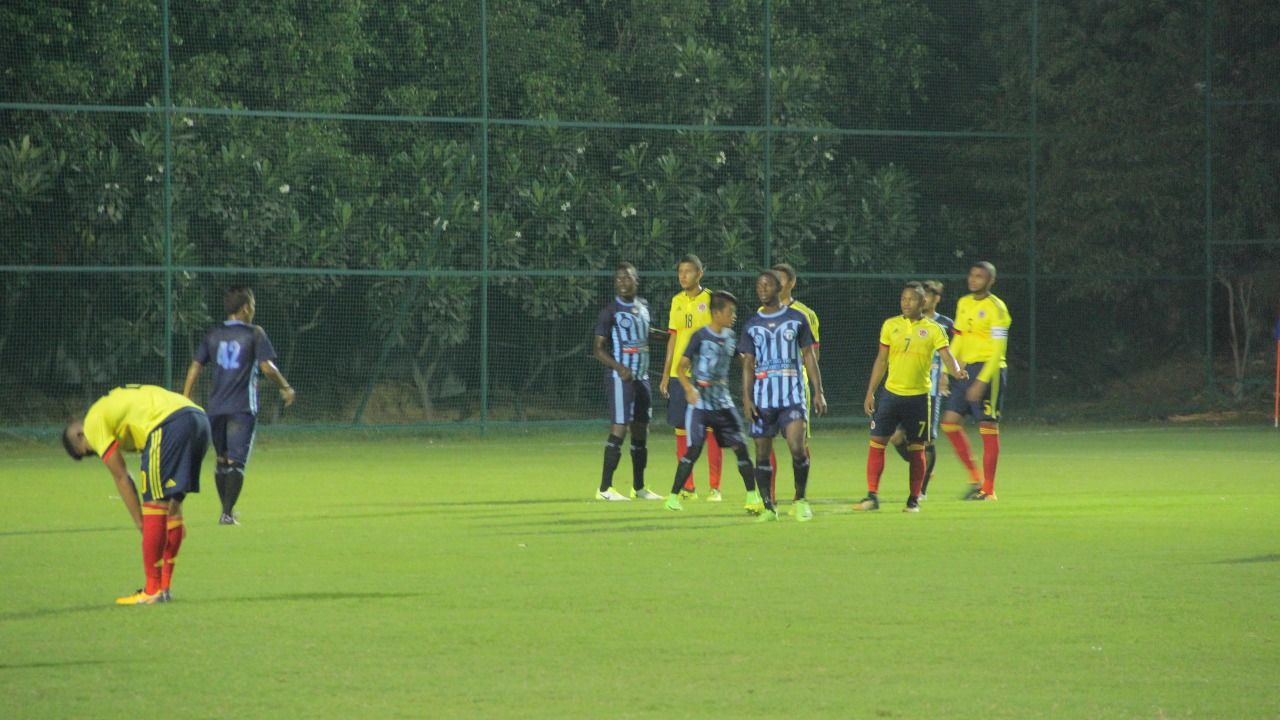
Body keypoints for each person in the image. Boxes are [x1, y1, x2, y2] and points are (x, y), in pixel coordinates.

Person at [62, 384, 211, 605]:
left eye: (88, 450)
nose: (95, 452)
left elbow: (122, 477)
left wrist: (142, 524)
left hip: (168, 424)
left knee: (154, 506)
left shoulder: (93, 422)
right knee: (172, 509)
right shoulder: (112, 407)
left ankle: (152, 590)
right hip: (199, 420)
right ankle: (164, 588)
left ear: (80, 434)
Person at [183, 286, 295, 525]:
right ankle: (226, 513)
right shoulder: (254, 333)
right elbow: (267, 367)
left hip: (215, 407)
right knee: (236, 461)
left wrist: (186, 396)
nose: (253, 310)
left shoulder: (213, 334)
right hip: (242, 408)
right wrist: (285, 386)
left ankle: (226, 511)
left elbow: (195, 366)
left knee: (221, 460)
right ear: (245, 308)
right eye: (252, 305)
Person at [857, 283, 966, 512]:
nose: (906, 303)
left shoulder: (934, 329)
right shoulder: (891, 325)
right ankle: (871, 496)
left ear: (923, 302)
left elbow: (946, 355)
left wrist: (956, 371)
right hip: (890, 395)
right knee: (877, 443)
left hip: (918, 398)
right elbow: (881, 360)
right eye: (903, 299)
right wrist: (870, 392)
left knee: (917, 448)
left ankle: (913, 500)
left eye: (912, 299)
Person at [662, 291, 765, 514]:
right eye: (730, 312)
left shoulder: (730, 336)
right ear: (717, 314)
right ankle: (673, 497)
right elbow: (681, 368)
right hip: (700, 403)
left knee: (741, 447)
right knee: (694, 449)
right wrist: (688, 388)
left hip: (723, 402)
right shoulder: (699, 336)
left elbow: (742, 360)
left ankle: (752, 497)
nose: (734, 316)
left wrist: (756, 369)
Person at [739, 270, 827, 522]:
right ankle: (768, 507)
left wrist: (818, 392)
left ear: (779, 288)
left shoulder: (797, 319)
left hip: (792, 395)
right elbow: (747, 365)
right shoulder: (752, 324)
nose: (762, 289)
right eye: (759, 285)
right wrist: (746, 398)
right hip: (763, 398)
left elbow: (809, 357)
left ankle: (800, 500)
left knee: (797, 447)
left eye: (767, 285)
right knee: (762, 454)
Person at [941, 261, 1012, 501]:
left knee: (988, 428)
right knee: (949, 423)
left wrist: (981, 381)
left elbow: (998, 350)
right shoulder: (963, 303)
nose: (973, 280)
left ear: (990, 281)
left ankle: (989, 489)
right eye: (972, 275)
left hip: (990, 371)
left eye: (980, 277)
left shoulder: (997, 309)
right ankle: (975, 478)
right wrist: (947, 369)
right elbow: (959, 340)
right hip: (967, 369)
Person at [592, 263, 663, 501]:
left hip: (642, 377)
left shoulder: (643, 306)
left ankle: (639, 487)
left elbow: (646, 332)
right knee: (619, 428)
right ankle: (604, 489)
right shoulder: (610, 312)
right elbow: (598, 349)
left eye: (628, 278)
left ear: (636, 280)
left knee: (641, 431)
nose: (623, 282)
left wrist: (672, 336)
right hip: (621, 379)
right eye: (619, 278)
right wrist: (619, 367)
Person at [658, 255, 724, 501]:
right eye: (680, 271)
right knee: (681, 429)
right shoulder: (676, 301)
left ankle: (715, 488)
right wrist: (666, 373)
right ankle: (688, 487)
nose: (683, 276)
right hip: (679, 376)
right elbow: (673, 339)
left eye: (688, 271)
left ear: (700, 274)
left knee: (710, 430)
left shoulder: (711, 300)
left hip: (704, 377)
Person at [887, 279, 955, 498]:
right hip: (904, 389)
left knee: (925, 440)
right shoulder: (905, 323)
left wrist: (946, 374)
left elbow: (953, 352)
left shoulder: (944, 324)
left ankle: (921, 489)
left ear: (936, 298)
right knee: (896, 437)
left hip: (930, 390)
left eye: (932, 293)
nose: (926, 297)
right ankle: (923, 467)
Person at [765, 263, 820, 506]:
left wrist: (815, 388)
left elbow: (812, 354)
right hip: (768, 388)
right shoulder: (762, 312)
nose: (776, 283)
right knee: (766, 441)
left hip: (796, 387)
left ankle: (800, 494)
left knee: (797, 443)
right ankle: (770, 496)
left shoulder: (805, 314)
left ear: (791, 283)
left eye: (781, 279)